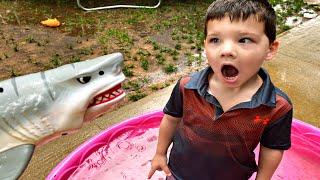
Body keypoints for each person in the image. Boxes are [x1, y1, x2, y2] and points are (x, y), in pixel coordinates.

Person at [147, 0, 293, 179]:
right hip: (179, 173)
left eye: (244, 40)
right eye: (215, 40)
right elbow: (171, 119)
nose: (227, 50)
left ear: (270, 49)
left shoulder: (277, 107)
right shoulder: (187, 87)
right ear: (205, 45)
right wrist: (160, 154)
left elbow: (272, 148)